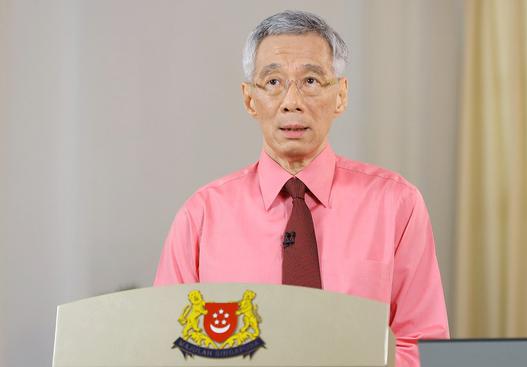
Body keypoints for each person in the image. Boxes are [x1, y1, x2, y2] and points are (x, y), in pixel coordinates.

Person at [154, 10, 449, 366]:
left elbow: (419, 346)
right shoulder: (201, 216)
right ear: (250, 99)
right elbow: (168, 348)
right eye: (274, 82)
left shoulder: (396, 204)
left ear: (340, 95)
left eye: (310, 81)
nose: (291, 102)